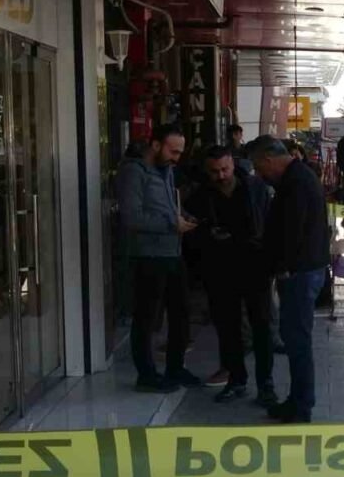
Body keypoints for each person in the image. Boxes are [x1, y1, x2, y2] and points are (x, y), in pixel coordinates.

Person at [184, 146, 276, 404]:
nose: (221, 175)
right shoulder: (202, 195)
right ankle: (236, 379)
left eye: (225, 169)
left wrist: (272, 260)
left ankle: (266, 384)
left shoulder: (255, 188)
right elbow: (192, 232)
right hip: (220, 270)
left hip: (255, 266)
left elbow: (270, 223)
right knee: (228, 328)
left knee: (261, 326)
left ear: (233, 165)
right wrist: (207, 235)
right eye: (215, 171)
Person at [117, 124, 201, 392]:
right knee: (147, 317)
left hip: (172, 251)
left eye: (180, 152)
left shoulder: (166, 171)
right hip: (148, 255)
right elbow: (132, 217)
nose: (176, 157)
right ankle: (146, 374)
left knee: (181, 313)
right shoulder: (134, 172)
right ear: (155, 145)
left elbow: (168, 207)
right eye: (172, 151)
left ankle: (175, 367)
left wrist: (184, 217)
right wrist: (172, 224)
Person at [251, 137, 328, 423]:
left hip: (299, 272)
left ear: (268, 159)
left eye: (259, 167)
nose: (259, 174)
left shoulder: (296, 182)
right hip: (304, 269)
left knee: (297, 339)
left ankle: (301, 405)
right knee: (296, 339)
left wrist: (282, 266)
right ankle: (298, 400)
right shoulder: (298, 176)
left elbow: (291, 231)